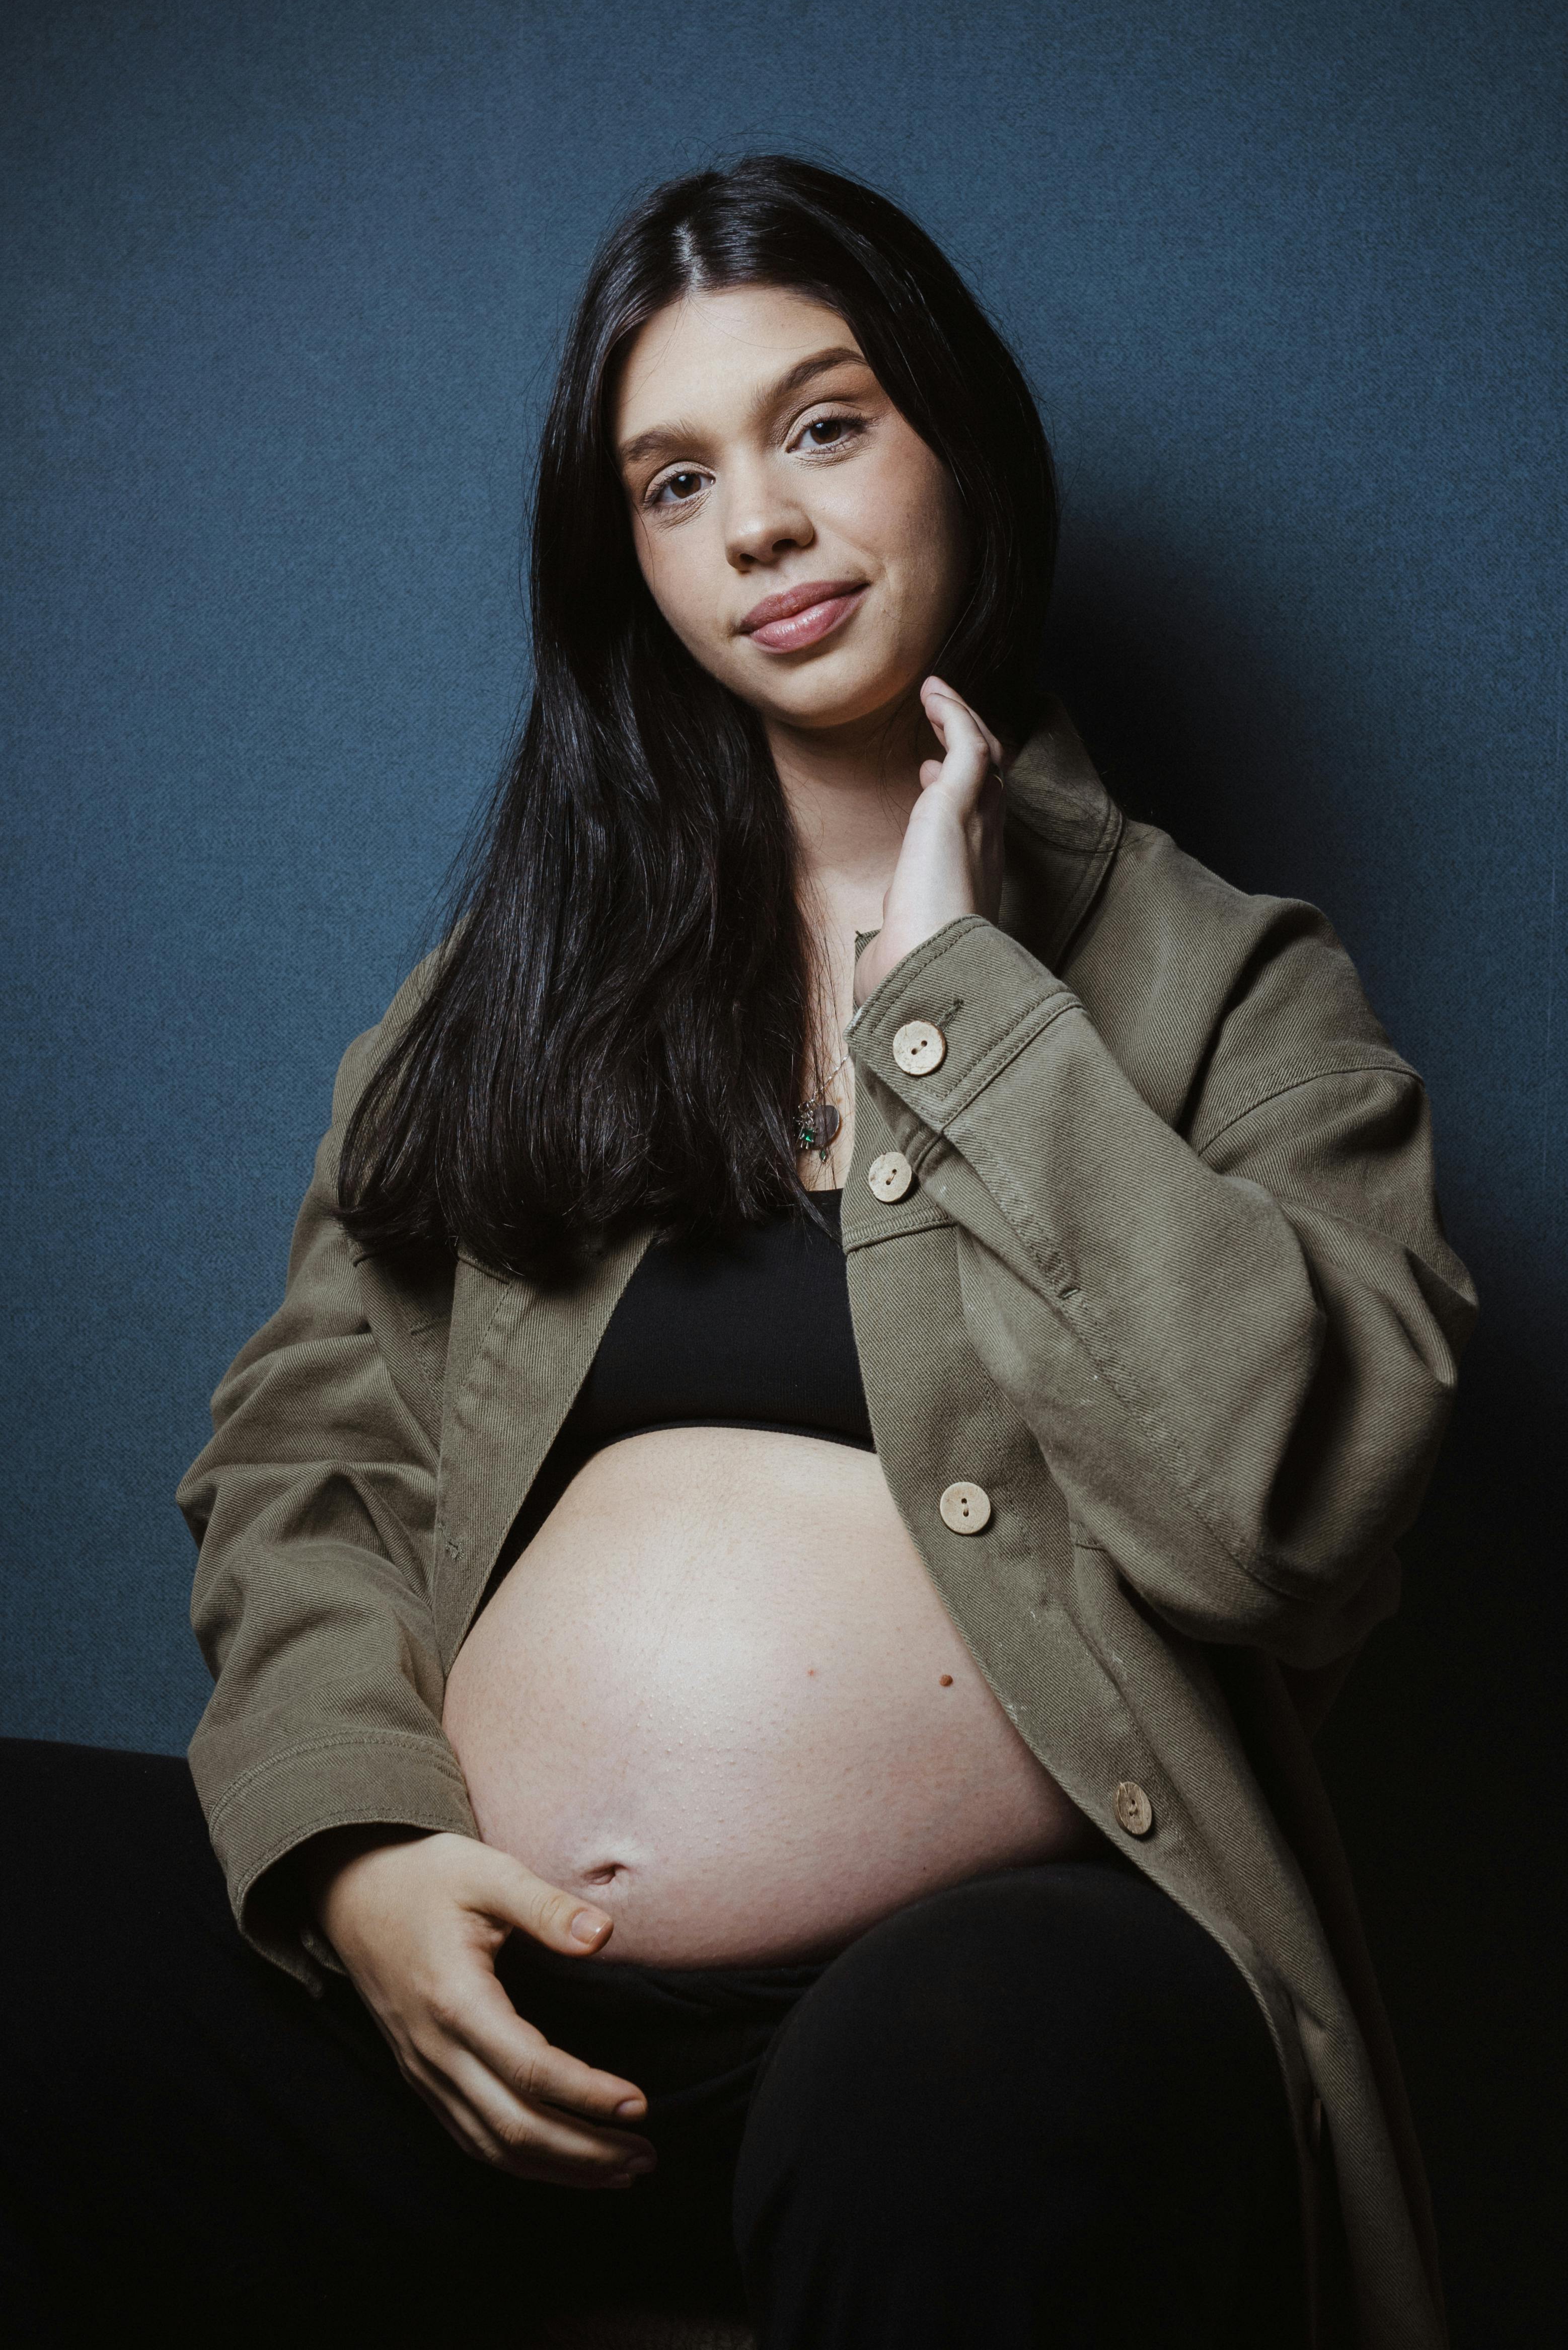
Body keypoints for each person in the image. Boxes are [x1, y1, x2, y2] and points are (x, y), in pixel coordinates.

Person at [0, 156, 1476, 2350]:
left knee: (987, 2067)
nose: (757, 524)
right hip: (475, 2008)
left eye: (819, 425)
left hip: (948, 2021)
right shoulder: (506, 993)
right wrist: (355, 1853)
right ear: (634, 564)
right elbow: (308, 1468)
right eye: (671, 481)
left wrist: (962, 1005)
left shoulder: (1231, 991)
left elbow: (1295, 1514)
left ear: (953, 440)